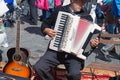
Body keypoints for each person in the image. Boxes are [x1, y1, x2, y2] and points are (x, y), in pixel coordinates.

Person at [34, 0, 99, 80]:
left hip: (74, 56)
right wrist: (46, 30)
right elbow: (45, 23)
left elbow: (90, 42)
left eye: (84, 3)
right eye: (81, 2)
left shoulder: (87, 17)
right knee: (39, 67)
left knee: (74, 74)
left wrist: (93, 44)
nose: (83, 5)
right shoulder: (60, 10)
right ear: (72, 1)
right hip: (56, 50)